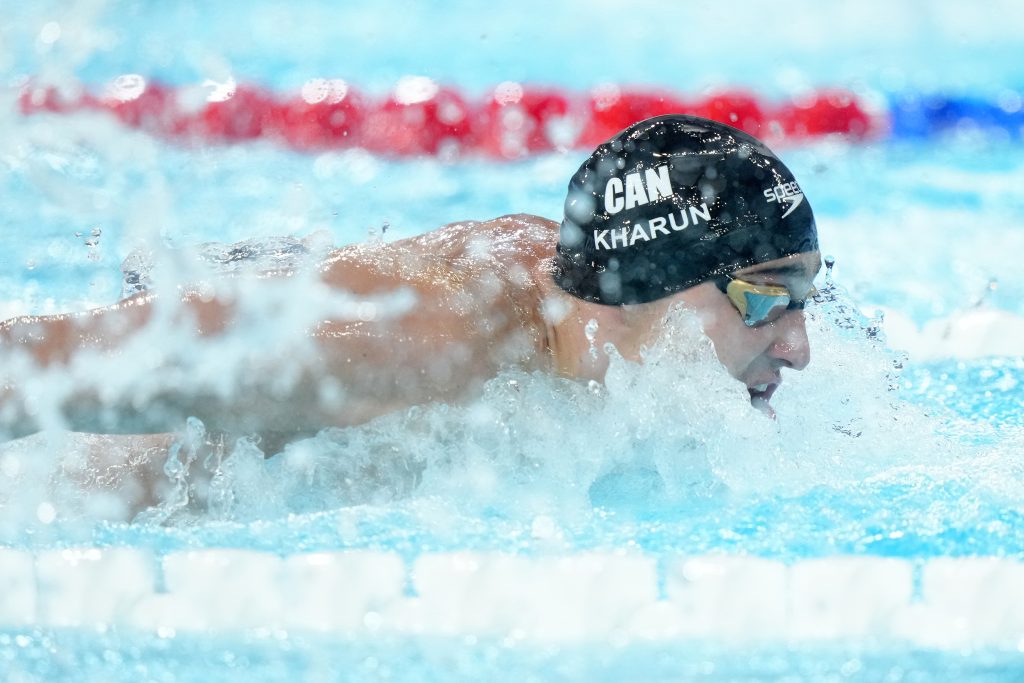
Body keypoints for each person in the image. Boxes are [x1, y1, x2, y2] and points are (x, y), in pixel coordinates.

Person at [0, 114, 820, 509]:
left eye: (808, 297)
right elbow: (47, 362)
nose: (801, 346)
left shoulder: (635, 326)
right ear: (644, 283)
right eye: (768, 299)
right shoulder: (440, 339)